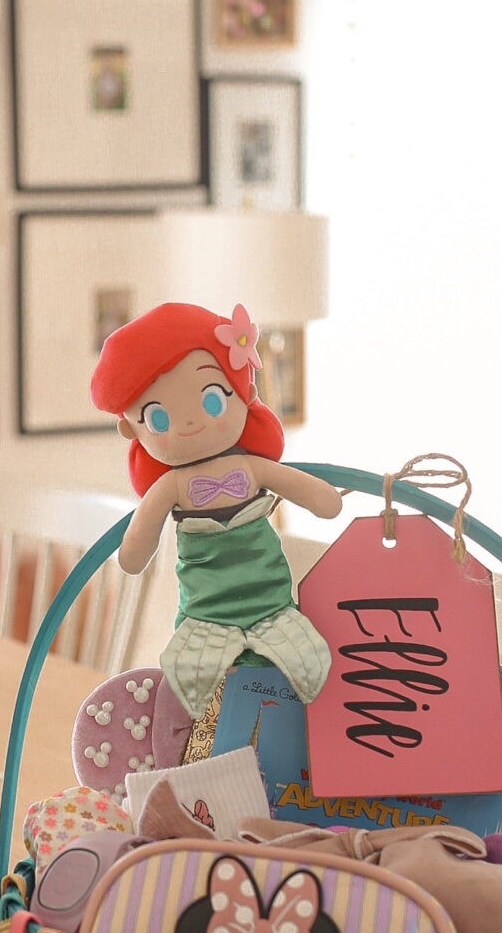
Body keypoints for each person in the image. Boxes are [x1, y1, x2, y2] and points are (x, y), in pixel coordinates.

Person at [90, 300, 342, 718]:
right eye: (158, 418)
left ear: (246, 392)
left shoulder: (252, 468)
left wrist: (323, 500)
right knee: (188, 693)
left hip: (272, 607)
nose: (190, 425)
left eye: (211, 401)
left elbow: (324, 501)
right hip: (205, 617)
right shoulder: (171, 486)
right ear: (130, 429)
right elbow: (134, 554)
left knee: (308, 675)